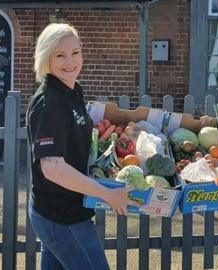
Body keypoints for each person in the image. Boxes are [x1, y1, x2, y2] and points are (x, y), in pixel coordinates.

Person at [26, 23, 137, 270]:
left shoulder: (70, 91)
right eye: (60, 55)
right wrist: (106, 193)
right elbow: (53, 168)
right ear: (46, 57)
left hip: (63, 213)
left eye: (75, 52)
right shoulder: (49, 103)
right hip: (62, 217)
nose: (70, 62)